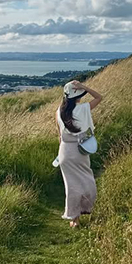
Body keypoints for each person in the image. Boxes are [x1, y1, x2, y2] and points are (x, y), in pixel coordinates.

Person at [56, 79, 103, 227]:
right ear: (78, 95)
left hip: (64, 151)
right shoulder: (83, 109)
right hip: (79, 150)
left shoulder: (58, 112)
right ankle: (86, 208)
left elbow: (59, 135)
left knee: (71, 186)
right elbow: (99, 97)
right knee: (87, 180)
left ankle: (74, 219)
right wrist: (84, 87)